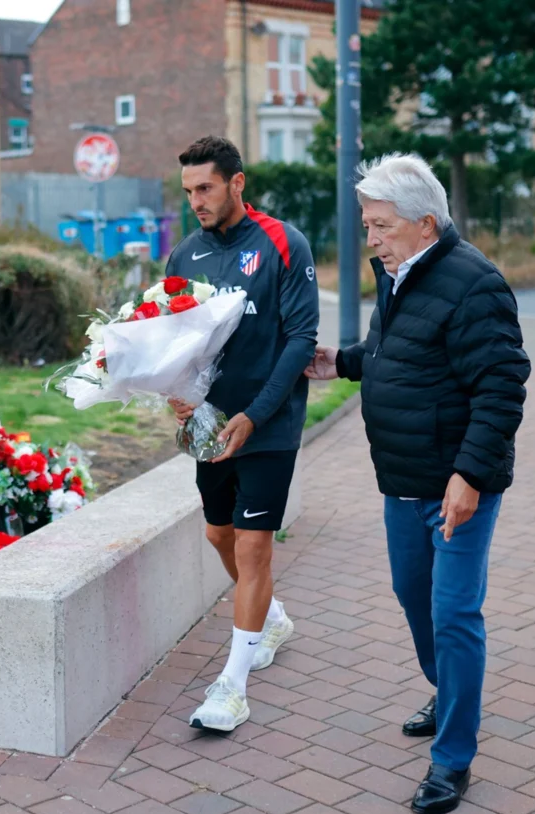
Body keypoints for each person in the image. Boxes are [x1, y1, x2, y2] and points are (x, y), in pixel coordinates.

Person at [306, 153, 529, 814]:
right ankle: (447, 689)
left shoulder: (474, 283)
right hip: (402, 479)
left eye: (381, 226)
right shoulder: (400, 273)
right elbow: (397, 353)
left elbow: (501, 387)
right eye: (367, 226)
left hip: (457, 485)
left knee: (454, 613)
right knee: (413, 595)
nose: (371, 239)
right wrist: (343, 362)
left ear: (425, 222)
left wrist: (469, 476)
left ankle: (453, 757)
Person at [167, 137, 320, 732]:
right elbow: (174, 341)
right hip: (209, 425)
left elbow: (301, 339)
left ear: (237, 183)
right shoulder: (184, 255)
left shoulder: (284, 242)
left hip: (269, 423)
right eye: (188, 191)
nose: (196, 201)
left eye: (205, 188)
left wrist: (255, 414)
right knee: (218, 534)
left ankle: (232, 687)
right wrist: (176, 391)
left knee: (255, 548)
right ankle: (272, 619)